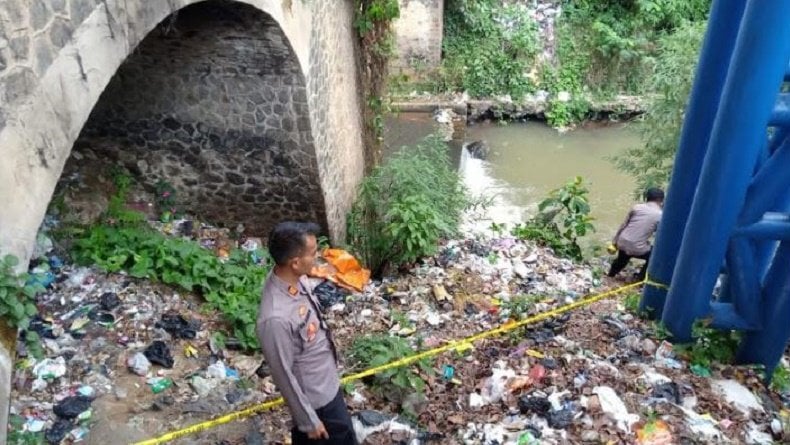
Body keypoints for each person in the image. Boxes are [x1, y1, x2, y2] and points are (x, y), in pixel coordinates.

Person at [256, 221, 358, 445]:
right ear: (295, 262)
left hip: (327, 382)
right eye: (313, 253)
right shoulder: (275, 318)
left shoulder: (296, 279)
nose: (318, 256)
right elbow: (282, 373)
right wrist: (308, 420)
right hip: (317, 403)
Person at [608, 188, 664, 280]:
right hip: (637, 247)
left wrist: (614, 241)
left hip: (622, 242)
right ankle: (640, 279)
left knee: (622, 260)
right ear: (661, 200)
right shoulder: (660, 215)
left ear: (646, 198)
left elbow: (623, 225)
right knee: (654, 256)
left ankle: (610, 275)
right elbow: (659, 234)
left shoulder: (636, 207)